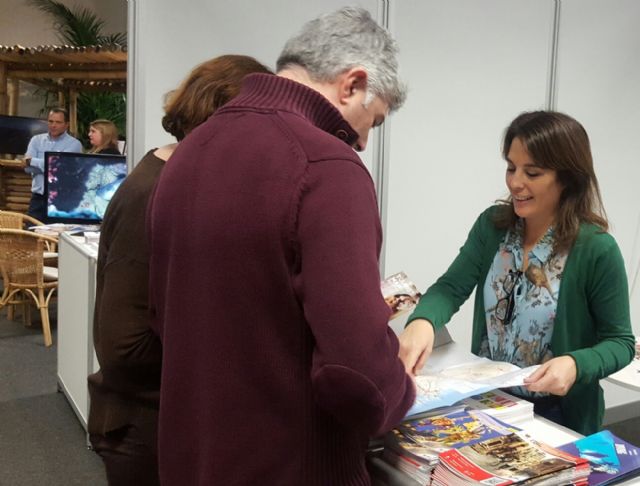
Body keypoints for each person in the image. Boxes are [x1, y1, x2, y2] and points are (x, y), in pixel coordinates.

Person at [147, 7, 415, 485]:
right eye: (370, 122)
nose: (362, 142)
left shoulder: (189, 152)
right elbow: (355, 372)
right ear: (351, 84)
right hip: (289, 464)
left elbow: (164, 316)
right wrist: (401, 391)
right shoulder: (327, 165)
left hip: (192, 456)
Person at [87, 55, 273, 486]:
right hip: (145, 427)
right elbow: (122, 347)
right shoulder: (152, 193)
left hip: (173, 419)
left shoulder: (186, 181)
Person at [399, 110, 635, 436]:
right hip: (489, 402)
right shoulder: (492, 227)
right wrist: (423, 321)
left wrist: (576, 364)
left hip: (558, 418)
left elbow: (620, 343)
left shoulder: (596, 249)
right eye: (511, 167)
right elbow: (451, 288)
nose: (515, 182)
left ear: (568, 178)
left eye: (532, 172)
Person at [22, 107, 82, 222]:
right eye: (51, 121)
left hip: (60, 199)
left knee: (56, 236)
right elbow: (28, 169)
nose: (53, 125)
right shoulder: (36, 140)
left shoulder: (74, 144)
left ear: (66, 124)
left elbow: (59, 169)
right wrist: (50, 166)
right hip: (38, 198)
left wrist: (33, 161)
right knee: (31, 233)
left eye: (58, 122)